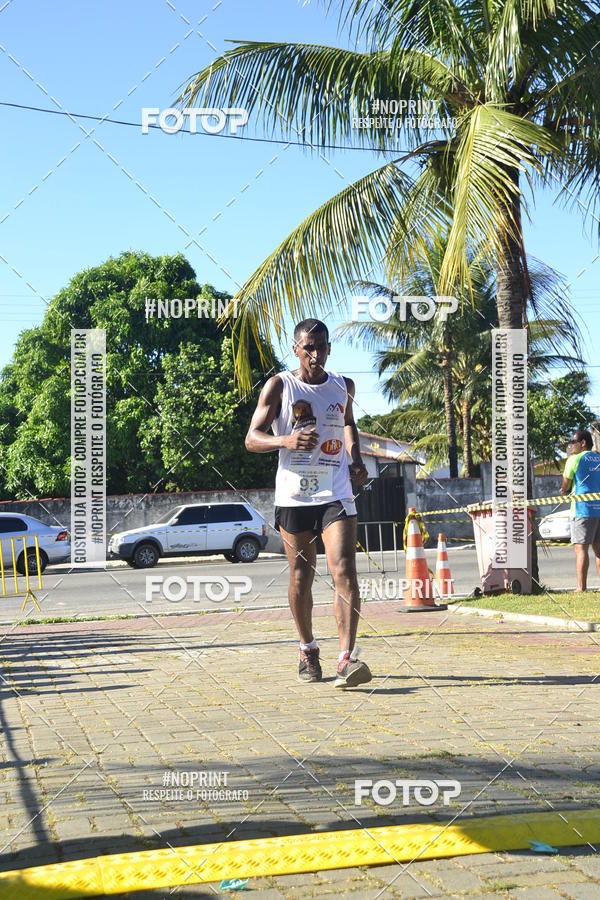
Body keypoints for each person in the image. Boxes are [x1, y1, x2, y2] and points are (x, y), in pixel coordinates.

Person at [245, 318, 372, 688]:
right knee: (302, 575)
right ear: (296, 350)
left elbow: (348, 423)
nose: (315, 355)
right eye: (308, 348)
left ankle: (346, 659)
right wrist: (285, 441)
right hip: (295, 495)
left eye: (321, 347)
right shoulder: (280, 386)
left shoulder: (342, 386)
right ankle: (307, 649)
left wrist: (356, 459)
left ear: (330, 348)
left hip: (335, 490)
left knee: (344, 570)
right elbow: (252, 439)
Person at [560, 428, 600, 591]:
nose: (571, 446)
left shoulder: (574, 460)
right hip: (599, 508)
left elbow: (565, 486)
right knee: (599, 549)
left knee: (580, 548)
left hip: (582, 510)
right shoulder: (598, 458)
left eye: (573, 442)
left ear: (583, 443)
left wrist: (565, 490)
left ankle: (580, 587)